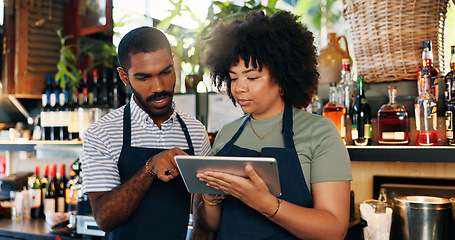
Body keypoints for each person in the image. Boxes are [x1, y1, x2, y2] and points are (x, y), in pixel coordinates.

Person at [196, 11, 352, 239]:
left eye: (251, 78)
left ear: (281, 78)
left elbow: (333, 230)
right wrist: (210, 199)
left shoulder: (320, 132)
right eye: (233, 77)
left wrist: (267, 204)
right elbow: (212, 224)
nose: (239, 88)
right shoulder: (227, 134)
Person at [81, 26, 211, 239]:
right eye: (144, 78)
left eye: (165, 72)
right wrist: (149, 168)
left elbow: (202, 210)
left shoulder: (195, 131)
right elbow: (104, 218)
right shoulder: (102, 133)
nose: (159, 87)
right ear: (124, 76)